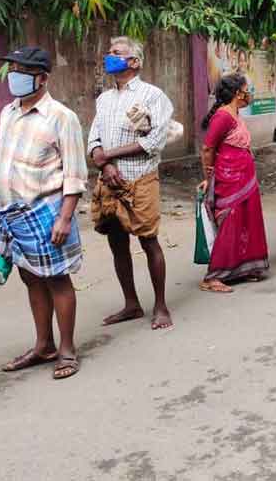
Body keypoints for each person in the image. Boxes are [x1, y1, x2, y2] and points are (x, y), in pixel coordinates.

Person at [0, 46, 87, 380]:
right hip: (13, 213)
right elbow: (3, 164)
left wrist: (64, 217)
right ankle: (43, 345)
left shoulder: (62, 117)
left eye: (21, 70)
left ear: (43, 78)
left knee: (57, 280)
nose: (13, 76)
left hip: (47, 211)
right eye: (12, 69)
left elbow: (75, 173)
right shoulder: (9, 113)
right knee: (30, 277)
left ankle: (67, 350)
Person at [88, 36, 174, 330]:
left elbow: (154, 140)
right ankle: (131, 304)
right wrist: (106, 164)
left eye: (116, 53)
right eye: (109, 52)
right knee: (117, 244)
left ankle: (160, 306)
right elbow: (93, 139)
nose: (108, 56)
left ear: (134, 62)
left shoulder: (153, 96)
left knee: (149, 241)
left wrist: (108, 156)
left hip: (140, 178)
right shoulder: (104, 99)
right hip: (109, 180)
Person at [198, 74, 270, 292]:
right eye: (248, 89)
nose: (250, 94)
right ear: (238, 93)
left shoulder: (234, 114)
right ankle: (214, 276)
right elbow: (208, 148)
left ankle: (242, 268)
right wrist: (208, 177)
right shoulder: (223, 117)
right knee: (230, 221)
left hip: (244, 176)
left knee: (246, 220)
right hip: (229, 177)